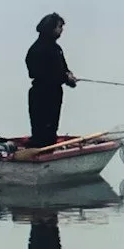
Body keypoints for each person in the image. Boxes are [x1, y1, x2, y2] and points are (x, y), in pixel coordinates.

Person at [25, 12, 77, 147]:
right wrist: (66, 78)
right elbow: (42, 73)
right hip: (43, 93)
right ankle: (41, 152)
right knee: (42, 130)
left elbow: (63, 69)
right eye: (59, 27)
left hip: (52, 92)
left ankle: (46, 148)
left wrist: (69, 76)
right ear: (51, 28)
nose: (62, 30)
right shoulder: (39, 49)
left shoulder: (56, 49)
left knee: (50, 129)